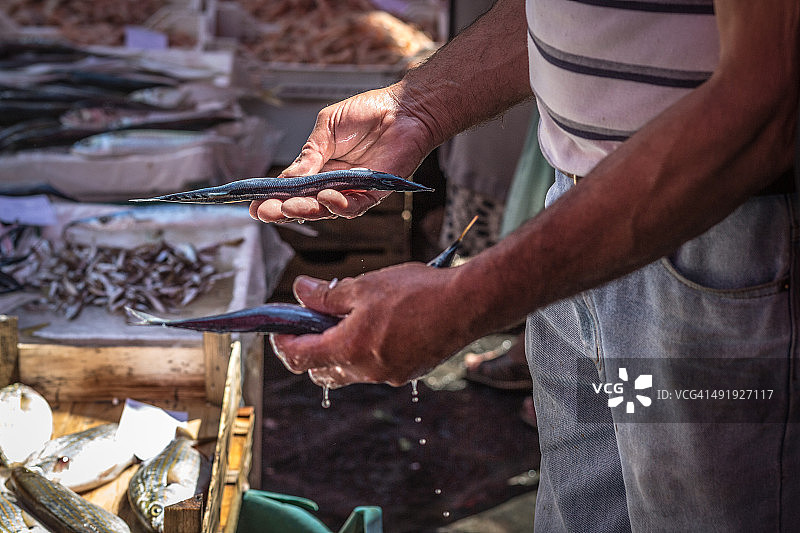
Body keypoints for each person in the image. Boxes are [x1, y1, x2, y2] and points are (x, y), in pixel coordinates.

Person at [250, 0, 799, 531]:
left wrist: (467, 300)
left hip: (725, 241)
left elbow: (765, 102)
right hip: (577, 214)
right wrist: (418, 105)